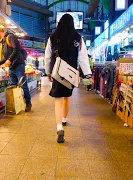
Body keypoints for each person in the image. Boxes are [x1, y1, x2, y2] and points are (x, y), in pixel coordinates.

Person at [44, 14, 93, 143]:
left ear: (59, 23)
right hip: (71, 73)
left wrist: (48, 72)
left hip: (57, 72)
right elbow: (83, 58)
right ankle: (64, 118)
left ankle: (59, 127)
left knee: (58, 99)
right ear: (73, 24)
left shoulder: (52, 38)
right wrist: (88, 74)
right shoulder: (78, 38)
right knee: (66, 97)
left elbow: (48, 57)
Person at [0, 26, 32, 112]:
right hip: (11, 67)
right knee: (12, 86)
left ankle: (28, 103)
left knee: (23, 85)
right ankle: (14, 105)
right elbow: (5, 57)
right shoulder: (3, 42)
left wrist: (9, 60)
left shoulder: (10, 37)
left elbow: (16, 49)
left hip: (19, 65)